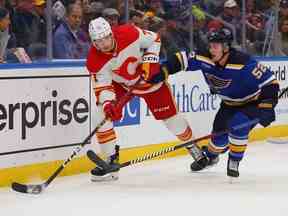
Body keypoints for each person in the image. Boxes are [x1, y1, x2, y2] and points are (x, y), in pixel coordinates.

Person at [150, 28, 279, 178]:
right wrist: (164, 69)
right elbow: (181, 59)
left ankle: (234, 161)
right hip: (228, 104)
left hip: (251, 103)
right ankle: (211, 155)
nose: (211, 49)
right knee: (218, 141)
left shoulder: (243, 63)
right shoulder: (204, 56)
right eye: (210, 45)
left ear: (226, 47)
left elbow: (271, 83)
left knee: (238, 126)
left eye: (216, 46)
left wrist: (267, 106)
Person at [86, 17, 203, 182]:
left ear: (111, 34)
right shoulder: (94, 59)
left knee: (172, 120)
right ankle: (110, 161)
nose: (103, 44)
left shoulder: (129, 32)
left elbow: (154, 38)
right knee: (101, 115)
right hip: (124, 84)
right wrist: (108, 103)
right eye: (98, 41)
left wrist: (149, 60)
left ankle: (193, 146)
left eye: (106, 38)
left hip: (149, 81)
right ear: (93, 42)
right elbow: (103, 86)